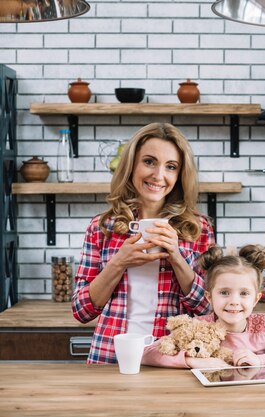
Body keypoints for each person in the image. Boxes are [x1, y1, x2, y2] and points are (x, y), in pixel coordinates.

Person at [72, 122, 214, 364]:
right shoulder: (102, 227)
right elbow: (82, 311)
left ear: (179, 176)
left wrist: (176, 257)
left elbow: (208, 310)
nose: (158, 175)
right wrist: (119, 262)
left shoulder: (197, 229)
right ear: (131, 166)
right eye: (149, 161)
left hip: (174, 359)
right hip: (111, 358)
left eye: (171, 167)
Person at [142, 245, 265, 368]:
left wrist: (260, 360)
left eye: (244, 293)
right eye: (224, 292)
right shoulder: (199, 325)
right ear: (209, 297)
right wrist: (193, 361)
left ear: (256, 299)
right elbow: (147, 353)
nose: (234, 301)